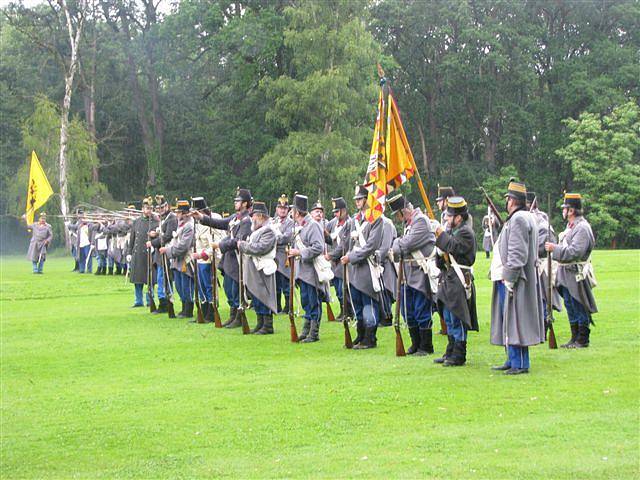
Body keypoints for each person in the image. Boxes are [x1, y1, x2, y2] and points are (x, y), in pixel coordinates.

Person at [490, 180, 545, 375]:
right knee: (510, 320)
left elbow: (517, 253)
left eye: (508, 199)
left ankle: (520, 363)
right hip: (515, 277)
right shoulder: (523, 217)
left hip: (517, 279)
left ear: (512, 201)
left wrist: (510, 279)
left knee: (517, 320)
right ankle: (512, 358)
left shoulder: (519, 219)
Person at [192, 187, 253, 328]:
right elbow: (219, 223)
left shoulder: (246, 221)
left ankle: (239, 316)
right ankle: (233, 316)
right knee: (228, 289)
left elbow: (238, 240)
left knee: (236, 290)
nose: (235, 203)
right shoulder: (235, 218)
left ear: (245, 203)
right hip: (229, 260)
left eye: (238, 201)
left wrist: (219, 244)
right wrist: (201, 217)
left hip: (238, 260)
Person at [545, 193, 598, 348]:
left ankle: (582, 339)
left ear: (572, 210)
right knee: (570, 304)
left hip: (576, 273)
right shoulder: (571, 226)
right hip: (566, 273)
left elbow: (575, 252)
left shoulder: (582, 227)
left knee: (579, 304)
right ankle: (574, 337)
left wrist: (554, 249)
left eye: (565, 208)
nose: (563, 211)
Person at [433, 197, 479, 366]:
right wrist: (438, 251)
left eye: (449, 216)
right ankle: (451, 350)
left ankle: (459, 353)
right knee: (448, 316)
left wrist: (440, 233)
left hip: (459, 280)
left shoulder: (465, 232)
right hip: (448, 279)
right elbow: (444, 257)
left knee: (457, 316)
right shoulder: (453, 231)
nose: (446, 218)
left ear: (458, 218)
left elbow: (453, 246)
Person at [389, 194, 436, 355]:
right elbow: (400, 244)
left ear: (404, 211)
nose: (397, 218)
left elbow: (405, 244)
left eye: (397, 214)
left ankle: (426, 346)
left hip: (419, 273)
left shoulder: (420, 221)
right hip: (408, 274)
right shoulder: (409, 223)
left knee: (421, 309)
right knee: (407, 311)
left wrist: (396, 243)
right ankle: (416, 344)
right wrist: (398, 243)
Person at [341, 184, 384, 349]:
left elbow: (371, 246)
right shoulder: (355, 220)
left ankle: (370, 338)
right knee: (357, 304)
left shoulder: (376, 219)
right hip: (354, 269)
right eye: (357, 199)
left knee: (368, 304)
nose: (357, 202)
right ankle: (360, 334)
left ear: (368, 199)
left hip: (367, 267)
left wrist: (351, 257)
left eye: (360, 199)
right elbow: (350, 244)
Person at [288, 194, 332, 343]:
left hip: (312, 271)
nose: (291, 214)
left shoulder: (312, 225)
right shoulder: (301, 226)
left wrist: (299, 252)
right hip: (303, 271)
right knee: (306, 301)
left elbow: (318, 247)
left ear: (297, 212)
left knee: (313, 302)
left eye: (293, 210)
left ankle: (314, 333)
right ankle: (306, 331)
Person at [238, 201, 278, 334]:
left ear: (260, 216)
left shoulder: (269, 231)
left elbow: (261, 248)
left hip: (263, 267)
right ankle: (260, 322)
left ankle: (267, 325)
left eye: (254, 216)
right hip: (255, 267)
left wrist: (243, 246)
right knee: (256, 295)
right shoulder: (258, 230)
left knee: (264, 296)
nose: (252, 219)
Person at [160, 200, 195, 318]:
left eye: (179, 212)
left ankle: (188, 309)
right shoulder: (180, 225)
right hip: (177, 260)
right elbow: (175, 241)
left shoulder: (189, 226)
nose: (177, 214)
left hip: (186, 260)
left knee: (186, 286)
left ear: (185, 213)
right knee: (179, 286)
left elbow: (183, 246)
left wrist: (168, 251)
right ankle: (184, 307)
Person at [126, 197, 159, 307]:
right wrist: (129, 253)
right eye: (146, 208)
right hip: (138, 253)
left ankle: (150, 300)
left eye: (150, 208)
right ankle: (138, 301)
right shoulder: (137, 222)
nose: (148, 210)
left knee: (150, 280)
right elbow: (132, 238)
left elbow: (160, 237)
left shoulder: (155, 222)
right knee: (137, 280)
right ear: (142, 209)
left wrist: (155, 235)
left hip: (150, 254)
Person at [148, 195, 178, 315]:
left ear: (167, 206)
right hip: (160, 253)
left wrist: (153, 242)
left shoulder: (171, 218)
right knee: (160, 278)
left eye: (162, 207)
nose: (160, 209)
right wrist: (155, 234)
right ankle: (162, 301)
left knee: (164, 279)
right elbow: (162, 234)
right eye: (158, 208)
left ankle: (165, 303)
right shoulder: (163, 218)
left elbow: (168, 236)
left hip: (166, 251)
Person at [325, 197, 351, 320]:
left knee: (344, 289)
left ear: (344, 210)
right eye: (334, 212)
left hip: (343, 260)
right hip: (334, 263)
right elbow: (328, 238)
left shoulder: (350, 224)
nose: (335, 214)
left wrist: (330, 255)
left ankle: (348, 312)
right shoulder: (332, 223)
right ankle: (342, 310)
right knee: (338, 289)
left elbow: (344, 245)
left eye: (337, 211)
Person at [190, 197, 215, 322]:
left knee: (208, 286)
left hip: (207, 259)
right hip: (198, 260)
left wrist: (202, 255)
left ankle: (211, 313)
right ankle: (204, 312)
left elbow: (213, 245)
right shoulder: (197, 224)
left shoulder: (211, 222)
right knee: (200, 287)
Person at [272, 195, 294, 314]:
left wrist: (275, 237)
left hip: (284, 255)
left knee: (285, 282)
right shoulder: (273, 221)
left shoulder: (290, 223)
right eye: (280, 208)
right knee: (276, 283)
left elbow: (286, 237)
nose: (282, 210)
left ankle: (288, 306)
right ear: (276, 209)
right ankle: (277, 305)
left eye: (285, 208)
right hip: (273, 255)